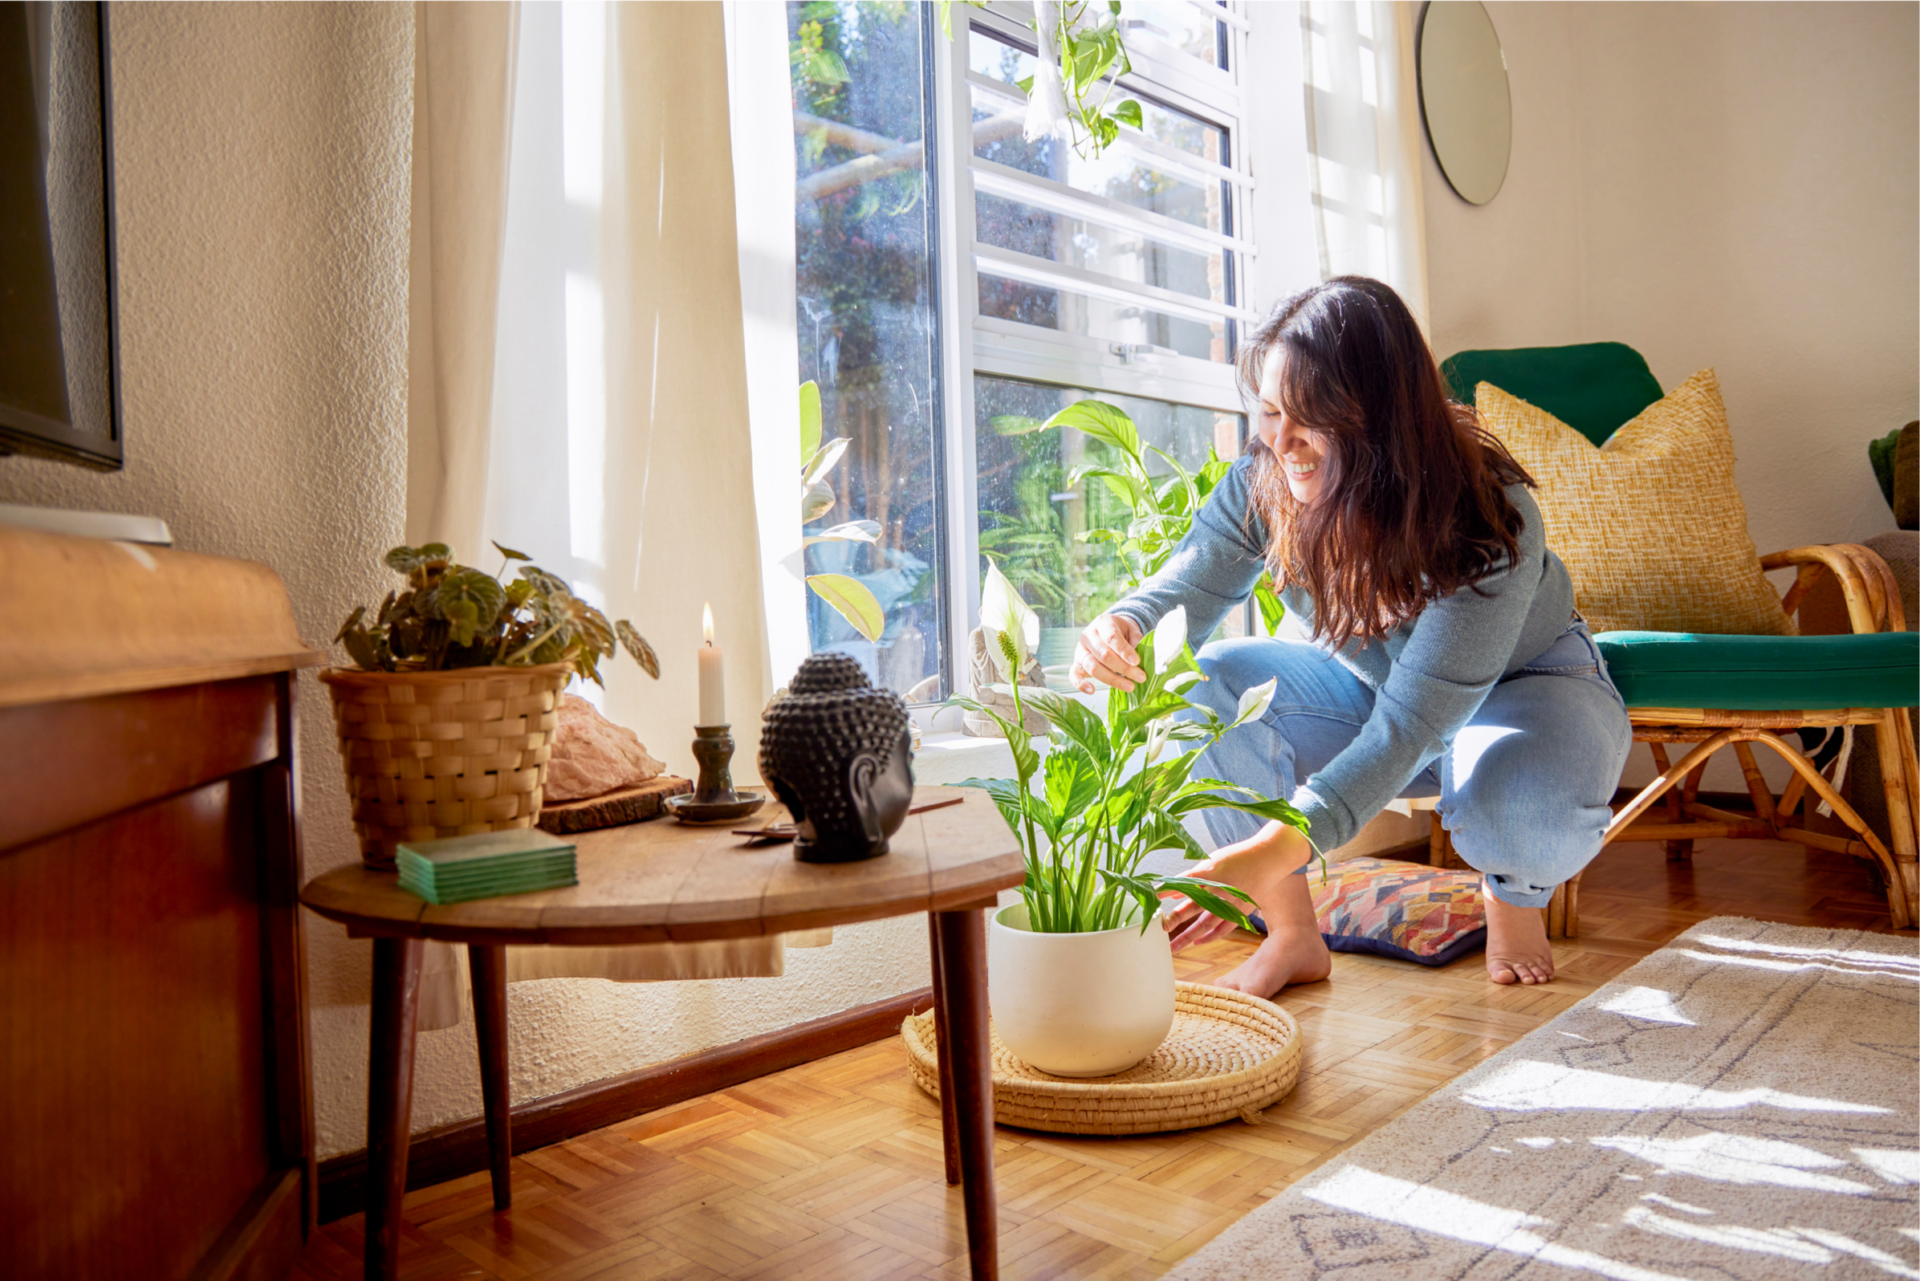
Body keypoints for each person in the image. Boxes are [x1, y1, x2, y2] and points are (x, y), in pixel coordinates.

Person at [1069, 277, 1631, 993]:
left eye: (1311, 419)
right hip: (1376, 689)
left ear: (1384, 418)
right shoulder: (1265, 477)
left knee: (1522, 817)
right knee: (1206, 687)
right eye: (1271, 411)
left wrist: (1274, 842)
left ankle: (1512, 892)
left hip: (1527, 687)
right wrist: (1126, 624)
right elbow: (1192, 582)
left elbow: (1414, 725)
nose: (1283, 441)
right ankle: (1295, 935)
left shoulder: (1489, 517)